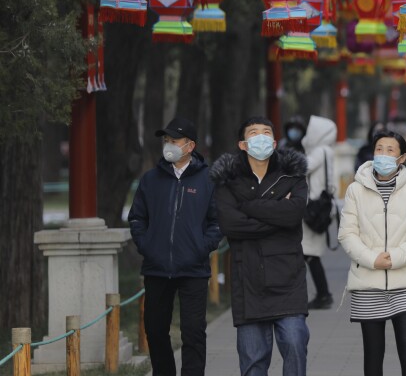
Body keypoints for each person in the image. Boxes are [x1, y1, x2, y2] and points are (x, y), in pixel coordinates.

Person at [211, 117, 310, 376]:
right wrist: (277, 214)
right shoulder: (228, 180)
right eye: (254, 133)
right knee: (253, 362)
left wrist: (249, 208)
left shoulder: (293, 175)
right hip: (248, 279)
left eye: (266, 133)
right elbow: (230, 225)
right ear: (243, 144)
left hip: (288, 277)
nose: (261, 137)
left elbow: (293, 215)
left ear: (275, 142)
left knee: (296, 346)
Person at [128, 117, 222, 376]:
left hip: (194, 269)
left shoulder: (208, 179)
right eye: (166, 140)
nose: (168, 145)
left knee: (193, 332)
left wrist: (201, 248)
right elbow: (137, 217)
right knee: (155, 330)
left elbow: (218, 222)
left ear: (190, 145)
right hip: (157, 268)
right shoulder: (151, 179)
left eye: (174, 141)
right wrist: (147, 246)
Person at [339, 130, 406, 376]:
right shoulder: (355, 190)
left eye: (390, 150)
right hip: (367, 282)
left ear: (402, 157)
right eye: (379, 149)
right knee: (373, 353)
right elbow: (347, 234)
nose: (383, 154)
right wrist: (372, 259)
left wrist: (396, 257)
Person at [301, 115, 337, 309]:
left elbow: (303, 167)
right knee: (310, 254)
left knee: (309, 254)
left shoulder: (320, 151)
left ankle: (323, 294)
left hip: (312, 208)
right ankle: (323, 294)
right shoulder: (328, 151)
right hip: (320, 208)